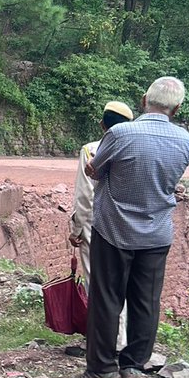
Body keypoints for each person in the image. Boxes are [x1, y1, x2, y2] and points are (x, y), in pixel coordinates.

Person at [71, 77, 189, 378]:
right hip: (156, 234)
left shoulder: (120, 133)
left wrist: (94, 170)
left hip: (113, 229)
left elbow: (97, 170)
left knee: (107, 298)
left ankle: (102, 369)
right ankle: (133, 368)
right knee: (146, 301)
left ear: (143, 100)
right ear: (176, 108)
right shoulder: (185, 141)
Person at [67, 101, 134, 354]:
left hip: (96, 227)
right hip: (127, 228)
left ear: (102, 123)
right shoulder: (134, 148)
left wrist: (76, 231)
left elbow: (84, 198)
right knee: (123, 284)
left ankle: (103, 343)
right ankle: (122, 340)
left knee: (96, 283)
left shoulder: (91, 150)